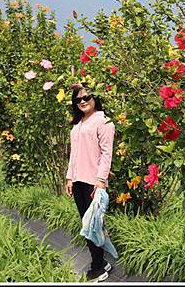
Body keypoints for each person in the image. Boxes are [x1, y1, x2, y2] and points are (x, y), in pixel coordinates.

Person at [65, 85, 115, 282]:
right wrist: (69, 177)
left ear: (95, 98)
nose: (83, 101)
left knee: (92, 225)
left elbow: (106, 153)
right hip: (78, 180)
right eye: (78, 100)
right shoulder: (77, 125)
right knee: (88, 224)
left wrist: (101, 180)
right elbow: (74, 155)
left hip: (94, 182)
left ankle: (97, 267)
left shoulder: (103, 121)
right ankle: (102, 263)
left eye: (87, 97)